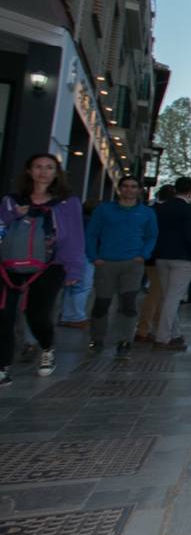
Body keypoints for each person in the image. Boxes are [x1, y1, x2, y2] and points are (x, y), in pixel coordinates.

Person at [0, 154, 85, 384]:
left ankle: (47, 348)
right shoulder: (11, 201)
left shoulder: (68, 203)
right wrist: (11, 215)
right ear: (29, 171)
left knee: (37, 314)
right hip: (9, 265)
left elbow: (74, 238)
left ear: (56, 173)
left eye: (49, 167)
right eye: (38, 167)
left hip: (50, 266)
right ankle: (3, 366)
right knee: (4, 316)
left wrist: (75, 270)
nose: (43, 172)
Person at [86, 176, 158, 360]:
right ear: (119, 189)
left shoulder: (146, 213)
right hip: (106, 262)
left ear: (139, 190)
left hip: (132, 263)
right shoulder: (104, 210)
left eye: (133, 186)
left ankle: (125, 340)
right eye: (125, 186)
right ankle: (97, 338)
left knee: (128, 303)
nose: (129, 190)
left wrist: (143, 255)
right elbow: (91, 233)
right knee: (102, 303)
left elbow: (151, 236)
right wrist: (94, 257)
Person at [150, 177, 191, 351]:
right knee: (172, 299)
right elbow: (189, 236)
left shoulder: (160, 209)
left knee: (168, 297)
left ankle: (175, 334)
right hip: (182, 258)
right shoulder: (189, 210)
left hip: (161, 256)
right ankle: (163, 338)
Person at [133, 184, 177, 343]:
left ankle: (152, 327)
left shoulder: (149, 208)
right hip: (160, 256)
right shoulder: (166, 212)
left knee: (157, 293)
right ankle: (144, 329)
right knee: (156, 294)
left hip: (149, 256)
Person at [58, 200, 98, 328]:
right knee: (82, 287)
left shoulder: (76, 220)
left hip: (69, 255)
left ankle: (66, 315)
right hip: (85, 256)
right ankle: (76, 317)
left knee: (70, 287)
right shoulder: (92, 222)